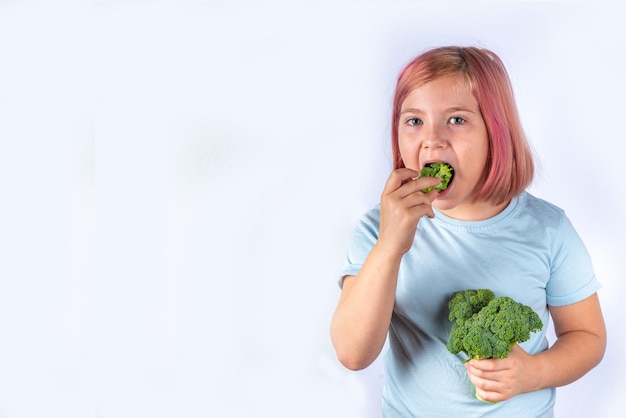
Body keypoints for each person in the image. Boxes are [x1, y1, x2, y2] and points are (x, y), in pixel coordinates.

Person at [330, 46, 606, 417]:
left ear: (496, 132)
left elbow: (587, 337)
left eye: (456, 120)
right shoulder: (377, 230)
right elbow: (352, 354)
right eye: (414, 121)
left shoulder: (548, 229)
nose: (433, 140)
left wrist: (534, 373)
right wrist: (390, 246)